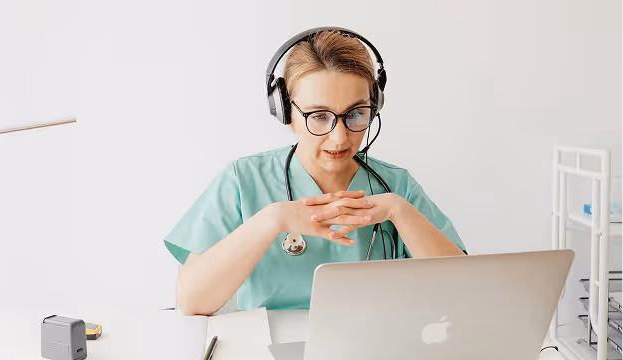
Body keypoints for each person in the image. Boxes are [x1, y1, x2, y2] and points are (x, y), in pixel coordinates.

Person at [164, 28, 466, 316]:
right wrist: (272, 220)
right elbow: (192, 302)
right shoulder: (242, 180)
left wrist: (400, 211)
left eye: (356, 114)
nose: (339, 137)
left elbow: (463, 293)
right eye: (319, 116)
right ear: (285, 111)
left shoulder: (396, 185)